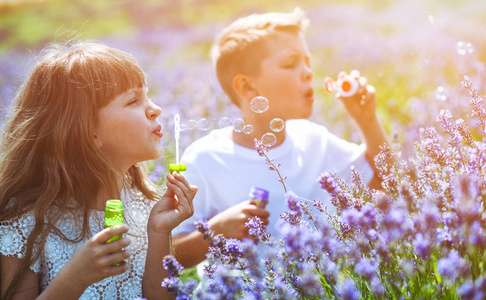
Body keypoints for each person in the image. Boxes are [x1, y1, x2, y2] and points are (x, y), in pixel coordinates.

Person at [173, 8, 389, 268]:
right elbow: (171, 254)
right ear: (247, 87)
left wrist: (367, 121)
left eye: (308, 62)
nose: (308, 72)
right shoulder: (205, 159)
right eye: (290, 64)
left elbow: (386, 185)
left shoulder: (315, 142)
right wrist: (215, 230)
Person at [0, 41, 197, 300]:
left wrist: (159, 234)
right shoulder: (28, 224)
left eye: (147, 95)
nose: (155, 108)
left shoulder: (146, 206)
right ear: (89, 132)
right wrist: (74, 278)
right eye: (133, 101)